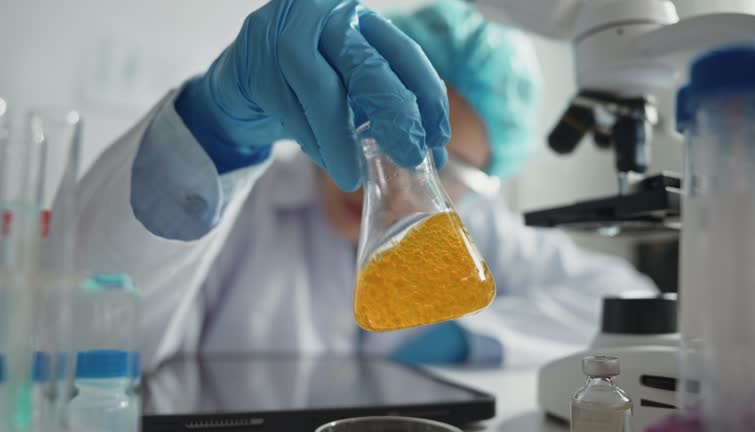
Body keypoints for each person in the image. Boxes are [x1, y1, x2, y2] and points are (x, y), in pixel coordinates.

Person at [73, 0, 655, 370]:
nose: (394, 190)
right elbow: (86, 340)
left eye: (438, 169)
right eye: (375, 141)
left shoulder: (478, 236)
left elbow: (631, 301)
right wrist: (211, 135)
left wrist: (465, 334)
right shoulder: (241, 209)